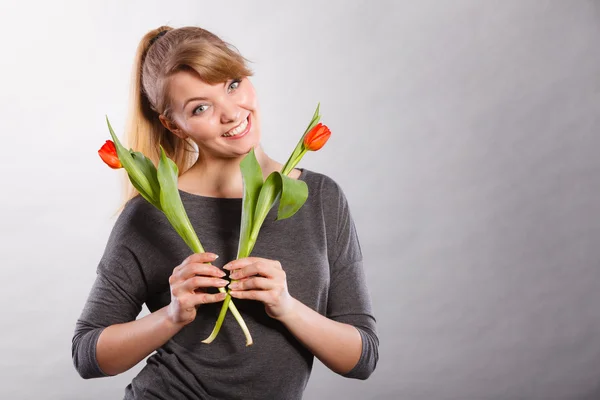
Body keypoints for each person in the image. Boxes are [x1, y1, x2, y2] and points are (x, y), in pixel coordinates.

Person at [72, 25, 378, 400]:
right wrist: (171, 315)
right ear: (174, 125)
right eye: (200, 108)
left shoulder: (321, 198)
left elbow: (362, 358)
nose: (232, 113)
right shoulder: (149, 214)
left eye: (232, 84)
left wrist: (286, 307)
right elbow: (87, 355)